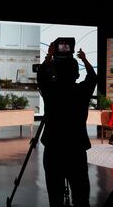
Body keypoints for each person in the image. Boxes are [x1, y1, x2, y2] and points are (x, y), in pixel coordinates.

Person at [37, 41, 97, 207]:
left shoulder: (51, 91)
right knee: (81, 197)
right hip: (76, 151)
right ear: (77, 74)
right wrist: (84, 59)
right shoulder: (82, 91)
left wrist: (49, 56)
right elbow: (93, 78)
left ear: (54, 73)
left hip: (53, 150)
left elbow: (41, 75)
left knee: (55, 199)